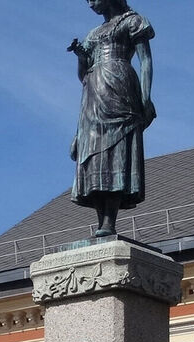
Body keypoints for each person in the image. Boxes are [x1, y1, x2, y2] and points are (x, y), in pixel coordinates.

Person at [68, 0, 155, 237]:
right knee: (93, 155)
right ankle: (101, 221)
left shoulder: (132, 21)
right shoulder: (93, 34)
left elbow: (145, 60)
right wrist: (80, 56)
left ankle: (110, 221)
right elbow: (83, 74)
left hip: (120, 85)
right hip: (93, 94)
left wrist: (145, 97)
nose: (91, 4)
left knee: (115, 152)